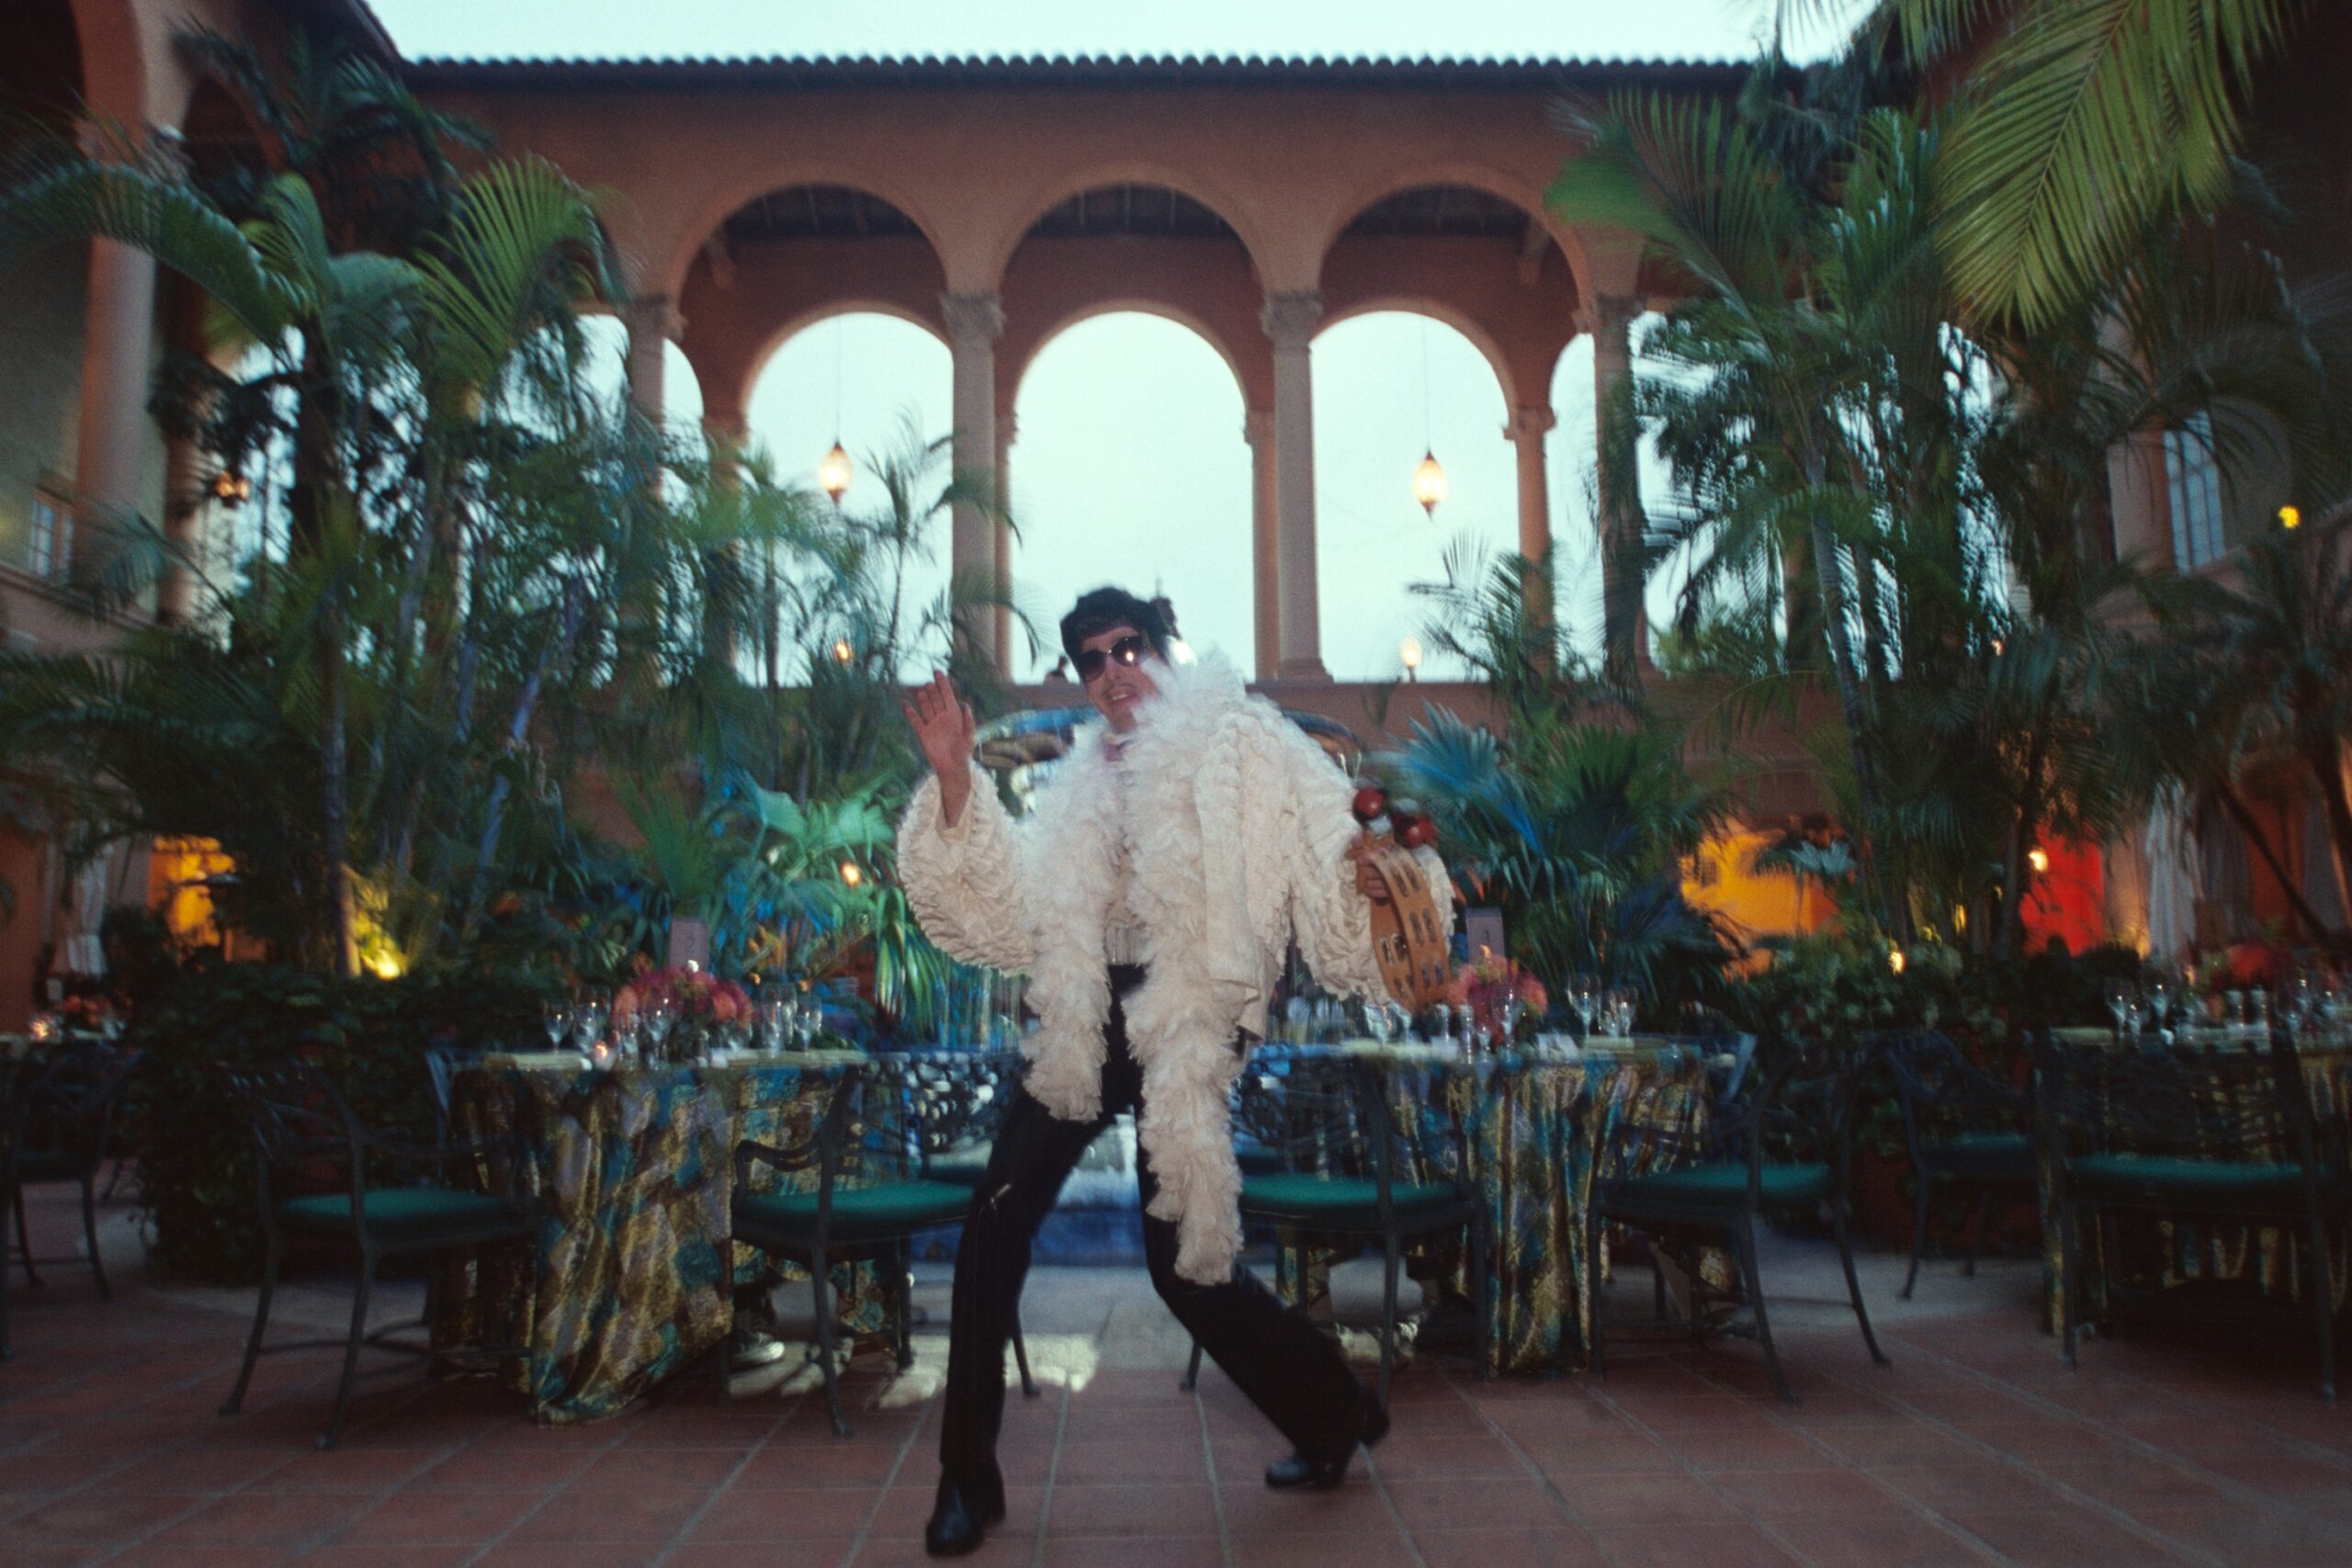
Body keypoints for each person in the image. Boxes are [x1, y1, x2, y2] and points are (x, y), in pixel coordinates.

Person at [897, 586, 1452, 1557]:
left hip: (1188, 1008)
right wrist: (953, 781)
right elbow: (1016, 904)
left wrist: (1367, 878)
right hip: (1089, 1014)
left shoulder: (1239, 738)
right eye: (1091, 659)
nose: (1112, 672)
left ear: (1159, 649)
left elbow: (1325, 832)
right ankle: (965, 1481)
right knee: (994, 1216)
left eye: (1127, 648)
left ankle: (1333, 1415)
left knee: (1186, 1269)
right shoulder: (1081, 777)